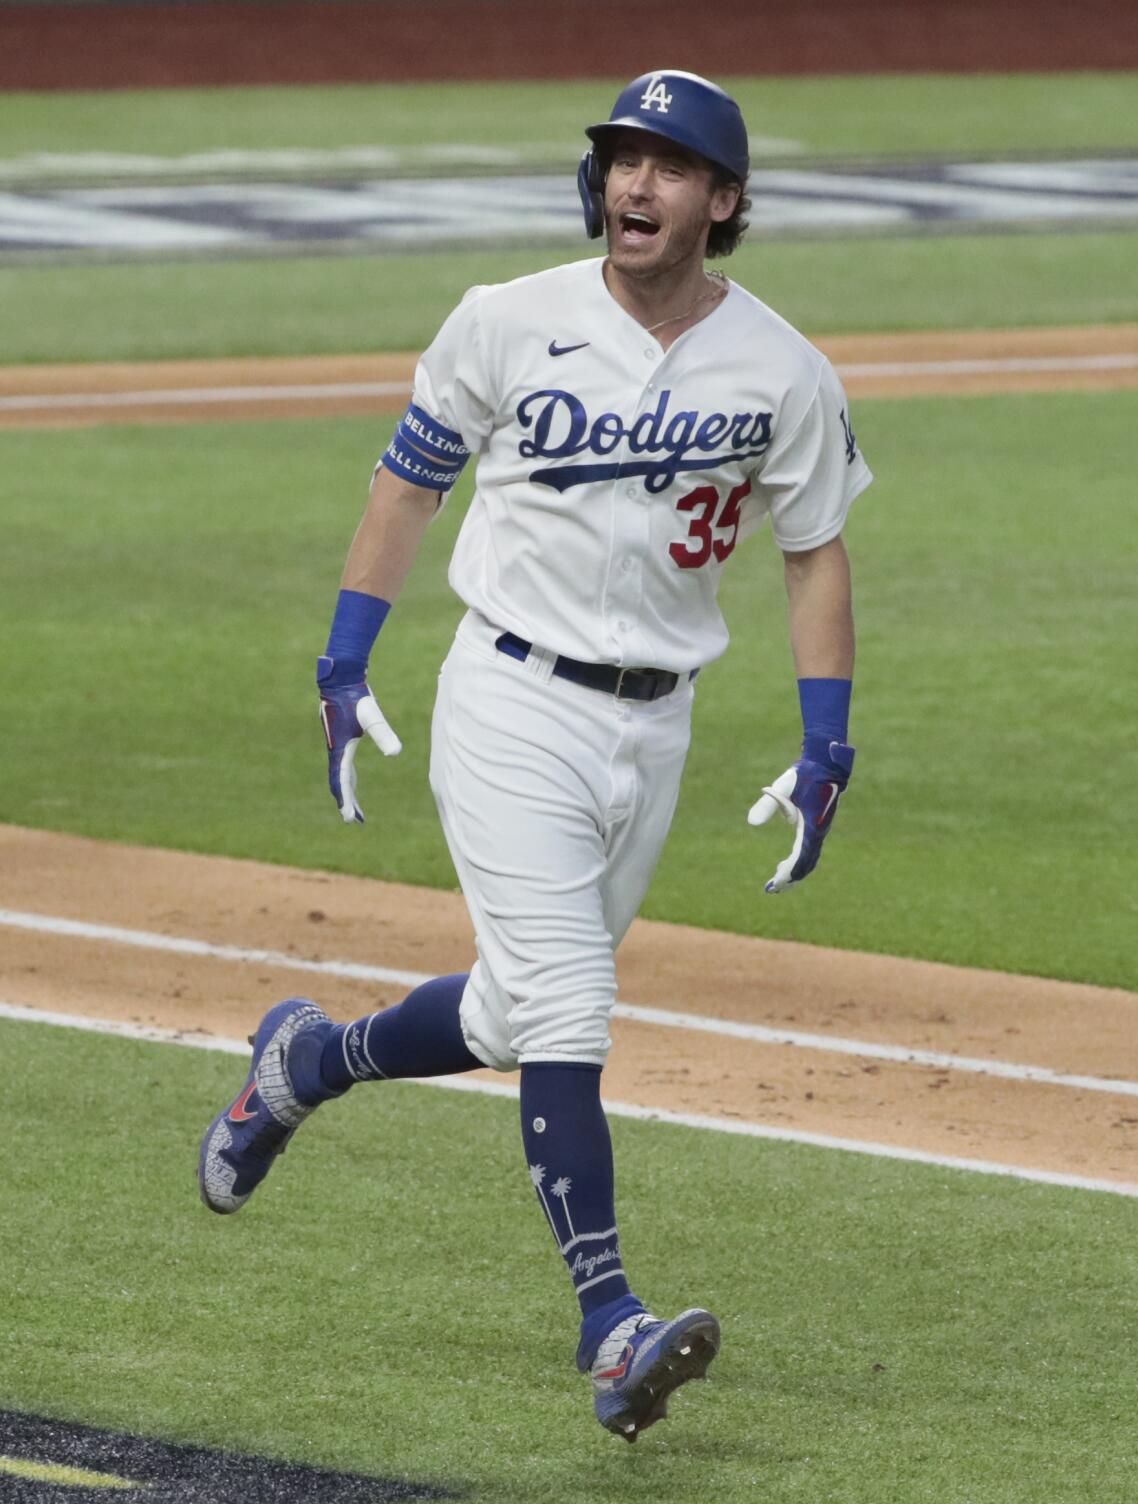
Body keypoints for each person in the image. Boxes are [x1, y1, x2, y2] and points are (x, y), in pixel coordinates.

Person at [198, 69, 872, 1441]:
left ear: (724, 201)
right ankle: (610, 1323)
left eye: (671, 167)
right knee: (572, 1010)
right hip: (509, 702)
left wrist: (824, 745)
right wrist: (343, 660)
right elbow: (409, 480)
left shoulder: (784, 370)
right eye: (623, 159)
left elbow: (814, 554)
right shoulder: (506, 321)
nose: (636, 184)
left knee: (514, 1013)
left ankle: (304, 1065)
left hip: (660, 722)